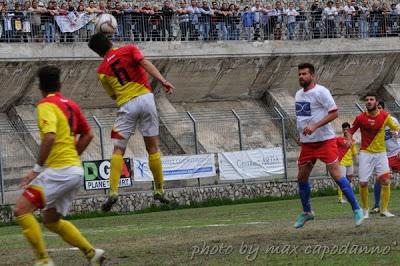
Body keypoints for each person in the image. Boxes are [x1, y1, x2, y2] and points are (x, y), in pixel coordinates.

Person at [12, 65, 104, 266]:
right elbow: (88, 134)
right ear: (60, 85)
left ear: (39, 87)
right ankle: (91, 253)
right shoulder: (70, 104)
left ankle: (43, 261)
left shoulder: (45, 105)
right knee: (51, 220)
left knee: (21, 210)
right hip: (75, 171)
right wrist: (73, 157)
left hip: (60, 170)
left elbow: (50, 137)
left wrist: (36, 169)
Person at [88, 33, 175, 212]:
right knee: (153, 148)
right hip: (146, 99)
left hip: (126, 106)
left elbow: (112, 95)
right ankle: (159, 190)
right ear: (110, 42)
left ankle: (113, 192)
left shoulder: (101, 71)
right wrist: (163, 81)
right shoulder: (129, 49)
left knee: (118, 150)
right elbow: (145, 63)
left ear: (98, 53)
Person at [294, 62, 363, 229]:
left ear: (312, 75)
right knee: (301, 178)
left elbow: (334, 113)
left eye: (304, 74)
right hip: (308, 144)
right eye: (299, 74)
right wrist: (301, 134)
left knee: (336, 175)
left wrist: (315, 126)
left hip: (325, 140)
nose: (301, 76)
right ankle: (307, 212)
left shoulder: (321, 92)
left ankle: (356, 209)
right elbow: (303, 118)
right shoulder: (298, 94)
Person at [346, 93, 399, 218]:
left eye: (371, 99)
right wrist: (349, 139)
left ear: (376, 102)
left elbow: (397, 127)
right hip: (366, 153)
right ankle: (365, 210)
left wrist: (396, 131)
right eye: (367, 100)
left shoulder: (385, 116)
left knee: (386, 180)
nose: (369, 101)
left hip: (381, 153)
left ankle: (384, 210)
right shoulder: (360, 118)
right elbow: (350, 131)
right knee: (363, 183)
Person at [371, 101, 400, 214]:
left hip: (397, 152)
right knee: (379, 179)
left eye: (379, 108)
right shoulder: (373, 123)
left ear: (383, 109)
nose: (378, 110)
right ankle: (377, 205)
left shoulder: (392, 120)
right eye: (376, 109)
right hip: (383, 156)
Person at [336, 122, 357, 204]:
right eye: (344, 129)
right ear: (342, 130)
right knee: (342, 179)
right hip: (342, 162)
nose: (345, 131)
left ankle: (348, 196)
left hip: (350, 162)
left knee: (349, 180)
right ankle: (340, 198)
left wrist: (357, 160)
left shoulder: (353, 141)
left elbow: (354, 152)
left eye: (347, 129)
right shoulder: (339, 139)